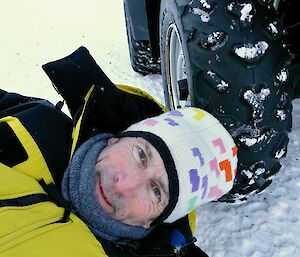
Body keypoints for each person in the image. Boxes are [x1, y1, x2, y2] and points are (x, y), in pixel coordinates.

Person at [0, 47, 237, 257]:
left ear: (152, 222)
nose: (123, 185)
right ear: (116, 139)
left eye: (156, 192)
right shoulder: (35, 121)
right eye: (141, 155)